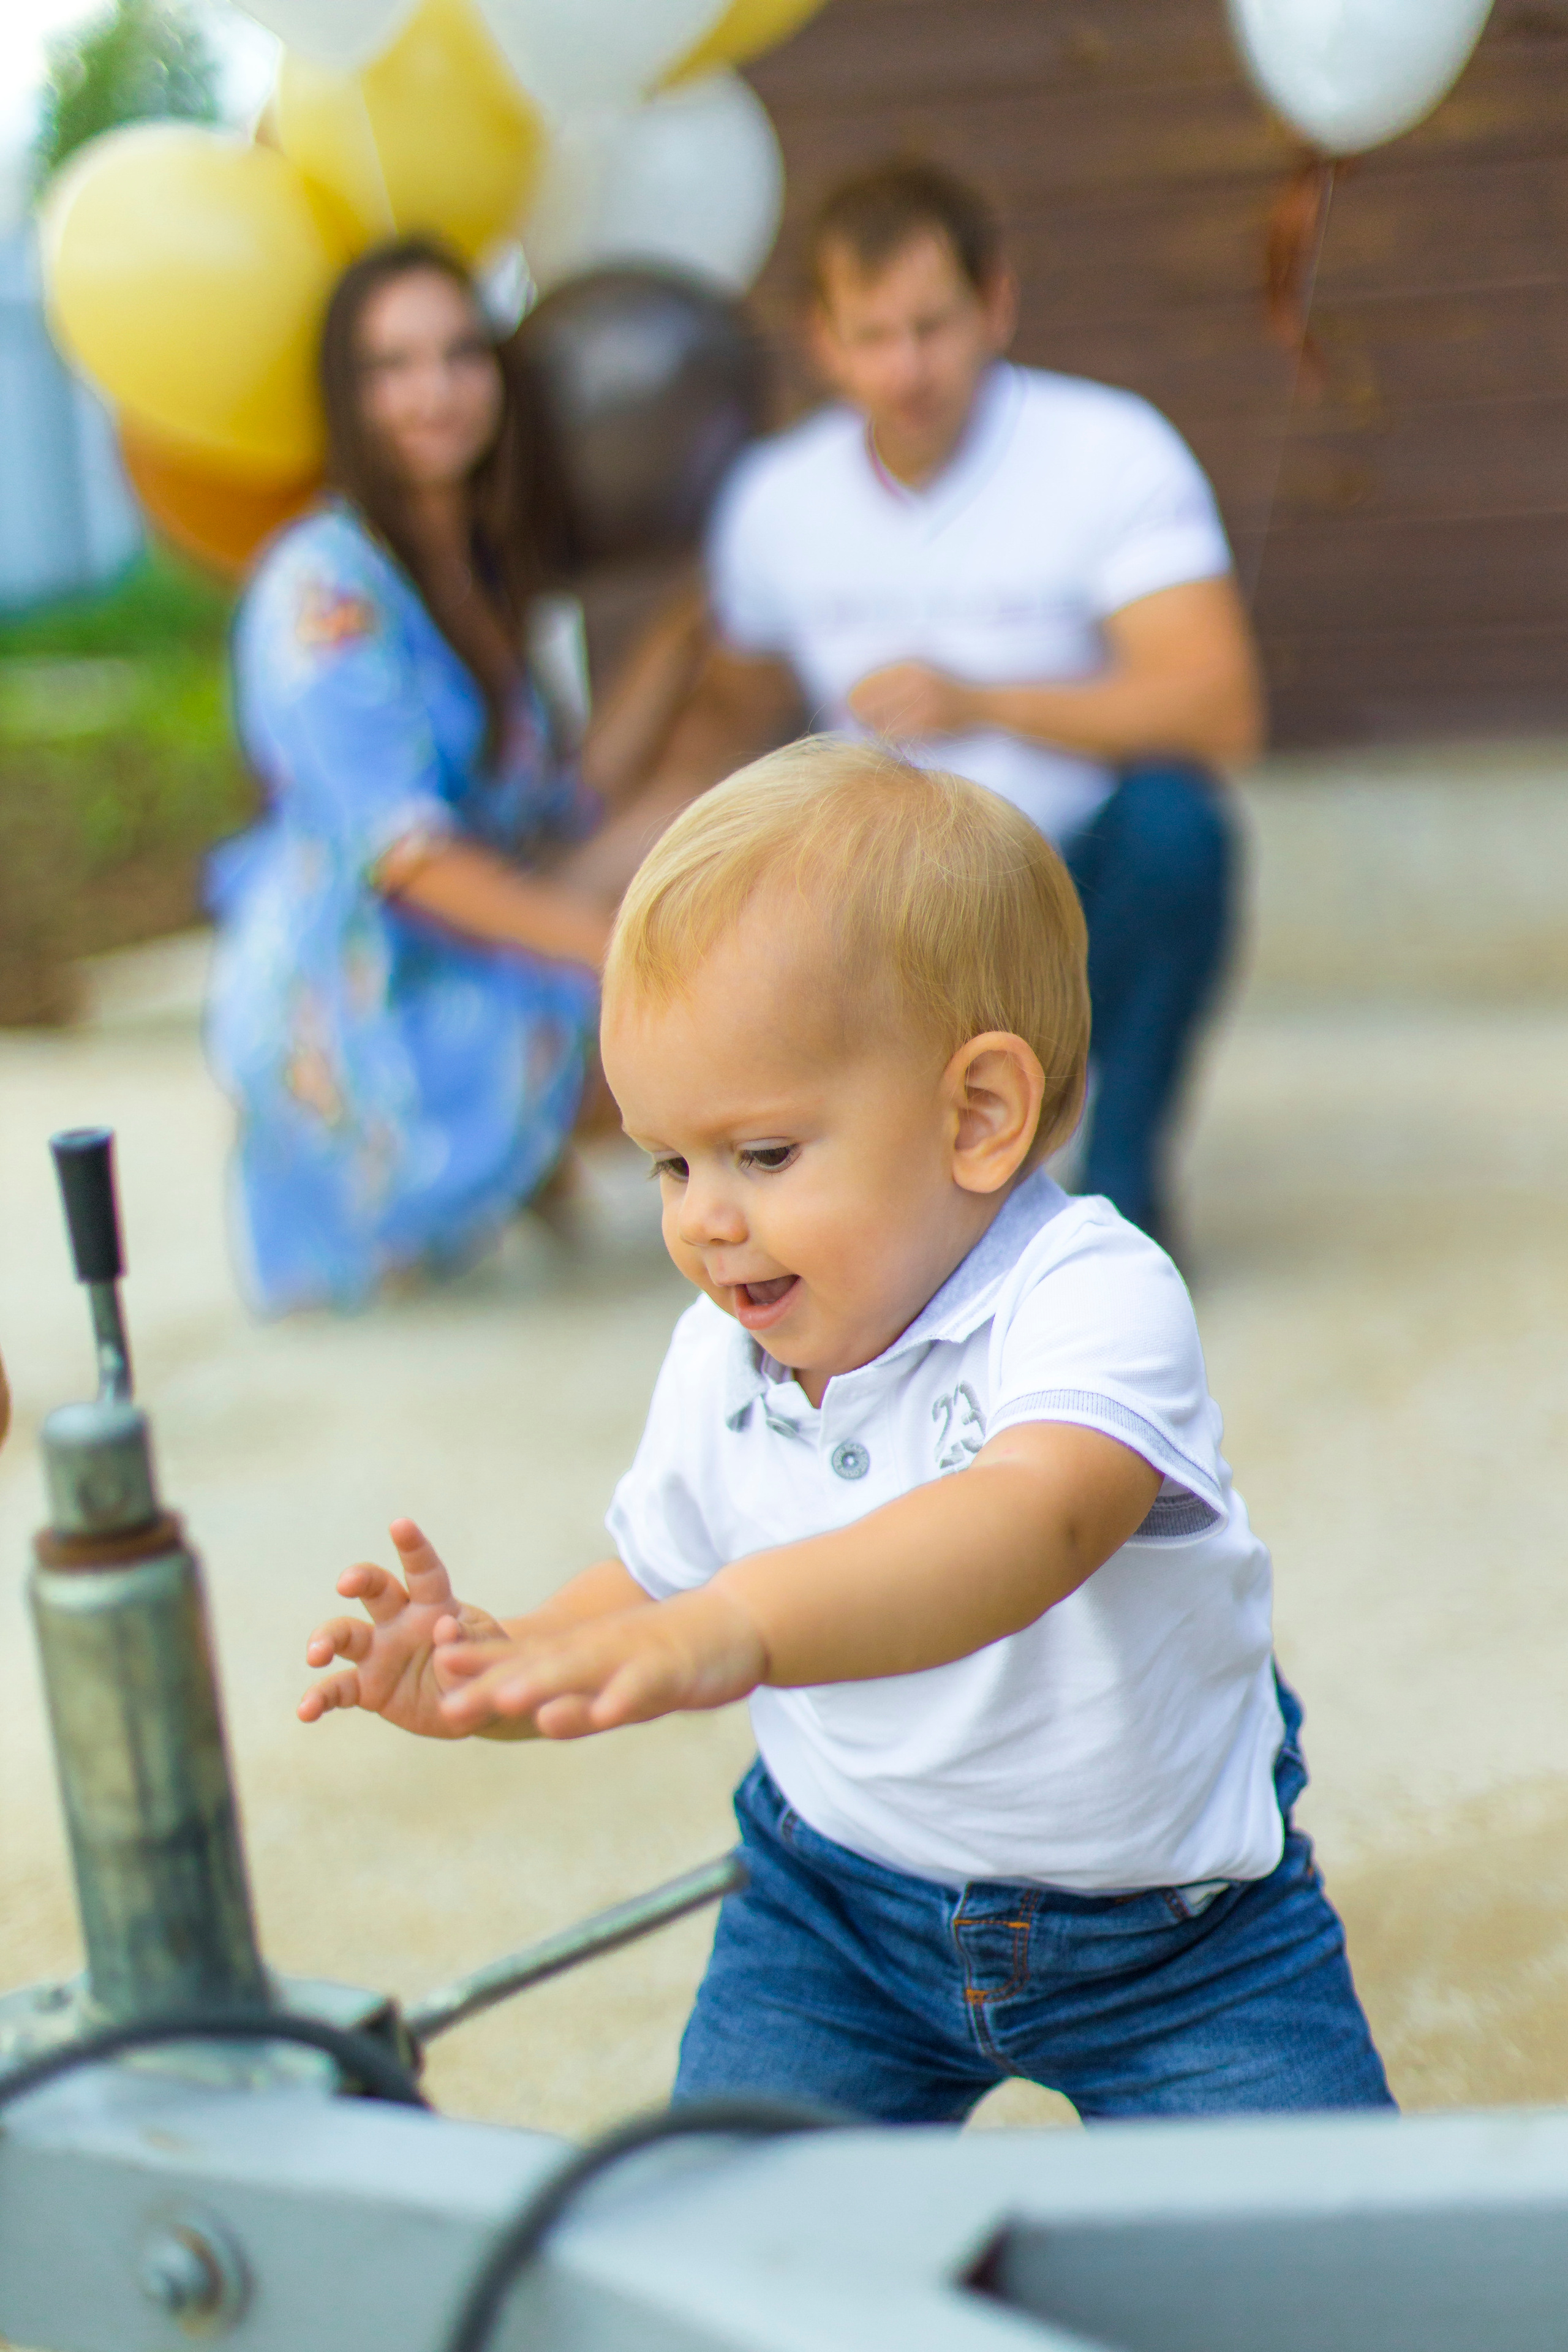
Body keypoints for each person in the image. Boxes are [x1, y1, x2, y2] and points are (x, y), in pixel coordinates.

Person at [297, 738, 1391, 2125]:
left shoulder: (1088, 1295)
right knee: (723, 2261)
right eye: (668, 1162)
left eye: (760, 1155)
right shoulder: (724, 1355)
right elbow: (650, 1585)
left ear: (978, 1117)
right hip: (832, 1919)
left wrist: (735, 1628)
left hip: (1175, 1944)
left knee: (1327, 2272)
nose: (702, 1215)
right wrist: (499, 1668)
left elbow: (1025, 1524)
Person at [644, 161, 1263, 1246]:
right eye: (873, 334)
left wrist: (985, 701)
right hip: (872, 904)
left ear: (997, 306)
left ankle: (1120, 1187)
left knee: (1183, 830)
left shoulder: (1110, 450)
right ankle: (873, 1225)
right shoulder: (774, 500)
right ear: (823, 340)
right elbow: (727, 722)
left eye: (933, 326)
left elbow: (1220, 710)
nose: (907, 367)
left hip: (1067, 877)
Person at [206, 237, 704, 1314]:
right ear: (348, 396)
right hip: (362, 999)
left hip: (449, 935)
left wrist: (681, 639)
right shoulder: (321, 585)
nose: (432, 392)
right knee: (689, 1003)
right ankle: (486, 1168)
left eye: (459, 356)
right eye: (391, 366)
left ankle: (526, 1156)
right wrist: (628, 955)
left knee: (709, 832)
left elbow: (553, 802)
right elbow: (409, 863)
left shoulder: (474, 568)